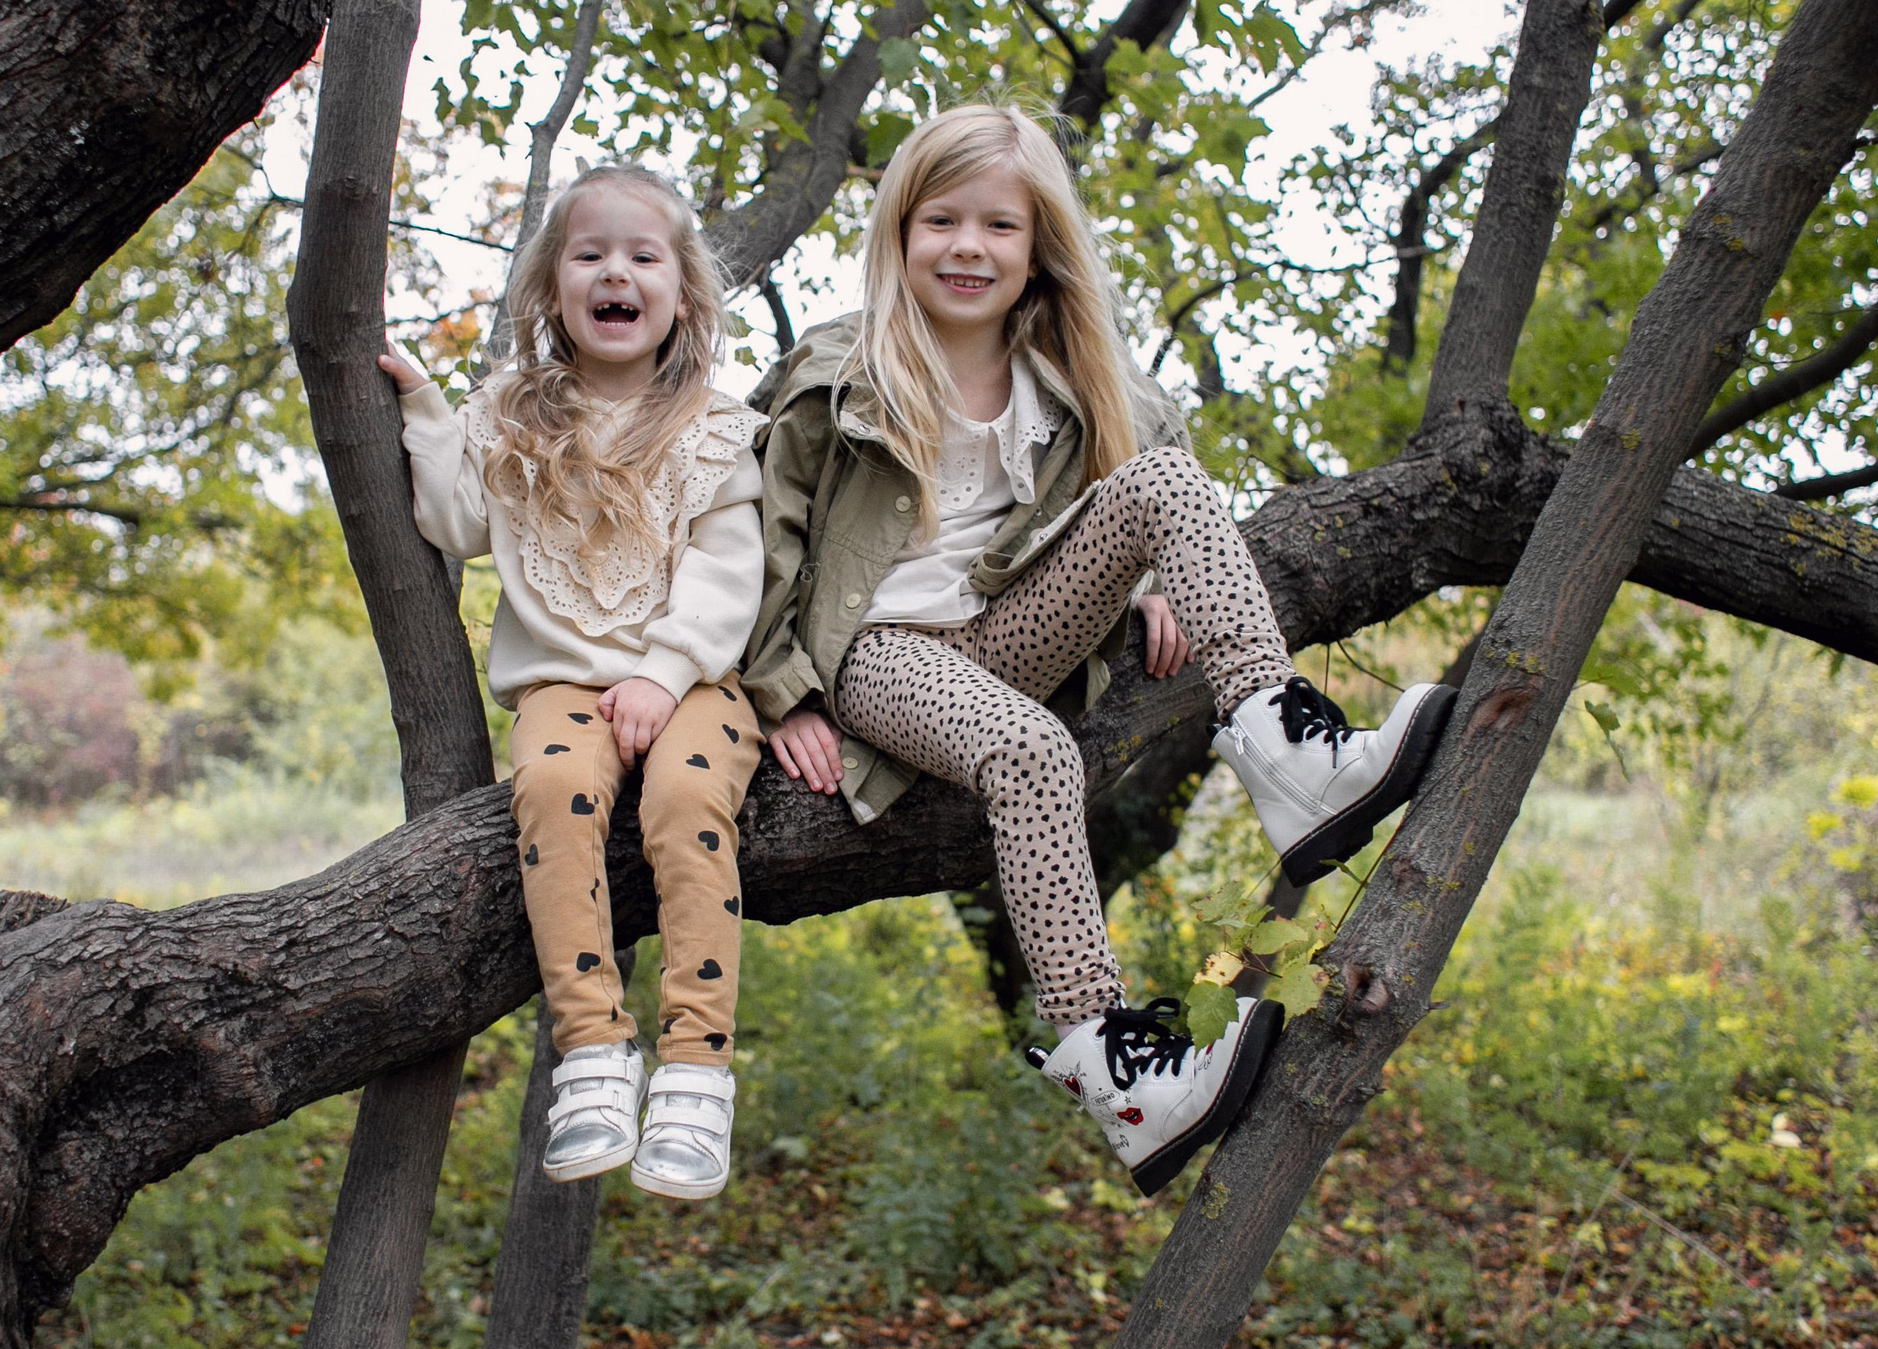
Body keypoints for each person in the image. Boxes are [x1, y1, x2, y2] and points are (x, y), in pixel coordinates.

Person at [741, 105, 1456, 1196]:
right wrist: (782, 691)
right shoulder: (838, 370)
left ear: (1037, 253)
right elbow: (755, 533)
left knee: (1168, 486)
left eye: (997, 227)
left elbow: (1161, 463)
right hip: (879, 652)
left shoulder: (1072, 375)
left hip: (1010, 630)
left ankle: (1288, 756)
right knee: (1032, 752)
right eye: (940, 220)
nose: (967, 247)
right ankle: (1122, 1080)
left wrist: (1169, 574)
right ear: (898, 232)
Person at [386, 166, 765, 1201]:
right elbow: (455, 525)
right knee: (553, 791)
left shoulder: (712, 428)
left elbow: (732, 575)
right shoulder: (511, 412)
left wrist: (663, 670)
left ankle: (695, 1071)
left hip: (693, 682)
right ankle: (592, 1054)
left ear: (680, 294)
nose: (616, 273)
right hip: (559, 686)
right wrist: (423, 405)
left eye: (643, 257)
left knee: (688, 801)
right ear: (552, 287)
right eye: (589, 254)